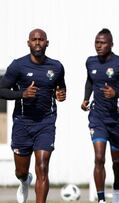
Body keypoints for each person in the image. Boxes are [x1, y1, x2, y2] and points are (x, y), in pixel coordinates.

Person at [0, 28, 66, 203]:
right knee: (20, 171)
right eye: (34, 39)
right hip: (22, 123)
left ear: (47, 43)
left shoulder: (56, 67)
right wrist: (22, 94)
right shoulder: (18, 66)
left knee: (43, 167)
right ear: (28, 43)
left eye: (41, 39)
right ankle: (24, 181)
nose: (38, 42)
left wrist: (62, 94)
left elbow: (61, 87)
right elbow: (1, 90)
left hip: (46, 122)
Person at [81, 28, 119, 203]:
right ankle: (101, 199)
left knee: (117, 161)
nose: (98, 46)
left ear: (111, 44)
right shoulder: (90, 62)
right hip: (97, 118)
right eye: (96, 42)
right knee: (99, 157)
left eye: (102, 43)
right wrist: (85, 99)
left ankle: (116, 189)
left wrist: (117, 94)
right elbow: (90, 80)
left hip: (118, 121)